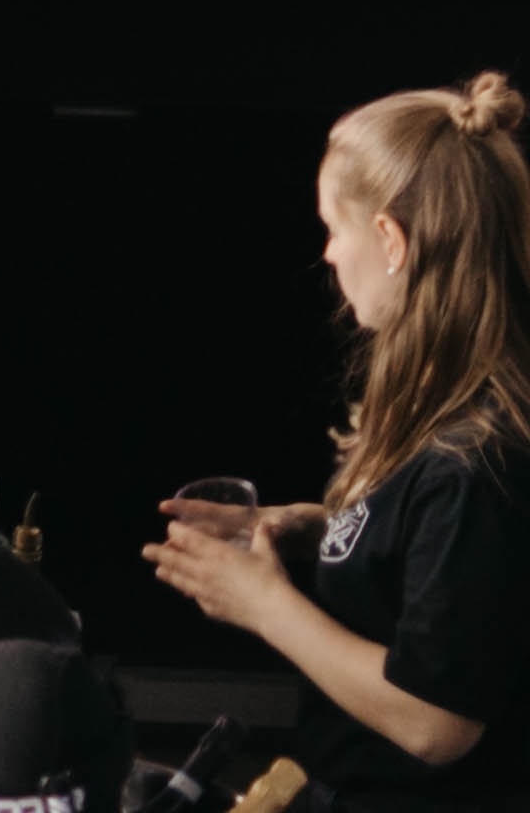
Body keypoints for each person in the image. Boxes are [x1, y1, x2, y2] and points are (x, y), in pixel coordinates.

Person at [146, 76, 530, 805]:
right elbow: (429, 556)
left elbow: (436, 721)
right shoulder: (438, 393)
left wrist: (265, 606)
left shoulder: (477, 459)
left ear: (390, 240)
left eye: (335, 227)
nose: (327, 253)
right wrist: (300, 527)